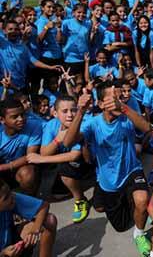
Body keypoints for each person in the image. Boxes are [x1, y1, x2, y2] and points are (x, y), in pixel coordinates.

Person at [63, 81, 153, 256]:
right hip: (108, 179)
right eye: (113, 99)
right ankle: (126, 203)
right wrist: (80, 111)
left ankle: (139, 234)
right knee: (116, 222)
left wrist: (124, 108)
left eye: (120, 97)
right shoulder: (92, 123)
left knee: (142, 200)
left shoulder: (127, 117)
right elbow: (67, 142)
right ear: (101, 104)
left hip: (132, 171)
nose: (118, 101)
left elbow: (147, 127)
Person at [26, 95, 92, 224]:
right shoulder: (51, 125)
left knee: (66, 170)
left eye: (73, 110)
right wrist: (57, 140)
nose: (70, 115)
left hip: (85, 161)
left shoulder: (82, 124)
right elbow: (44, 151)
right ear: (55, 113)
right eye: (65, 111)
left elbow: (74, 155)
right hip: (61, 161)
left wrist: (41, 159)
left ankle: (80, 199)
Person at [0, 180, 57, 257]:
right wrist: (3, 253)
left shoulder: (11, 197)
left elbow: (44, 206)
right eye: (6, 198)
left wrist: (35, 229)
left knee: (50, 220)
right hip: (4, 253)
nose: (12, 197)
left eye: (10, 191)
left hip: (11, 244)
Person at [0, 98, 41, 195]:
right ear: (2, 120)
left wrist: (6, 166)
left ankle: (30, 202)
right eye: (15, 117)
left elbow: (30, 156)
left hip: (20, 168)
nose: (21, 119)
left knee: (28, 174)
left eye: (22, 115)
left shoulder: (34, 126)